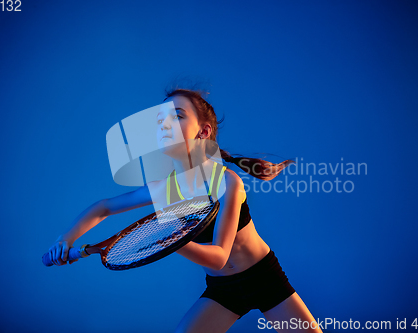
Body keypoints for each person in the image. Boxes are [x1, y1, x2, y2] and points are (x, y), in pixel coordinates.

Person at [47, 88, 323, 333]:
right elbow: (103, 207)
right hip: (222, 290)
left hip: (263, 277)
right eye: (160, 120)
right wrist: (65, 239)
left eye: (177, 116)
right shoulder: (163, 190)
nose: (164, 124)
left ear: (202, 132)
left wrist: (171, 240)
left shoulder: (227, 181)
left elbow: (218, 256)